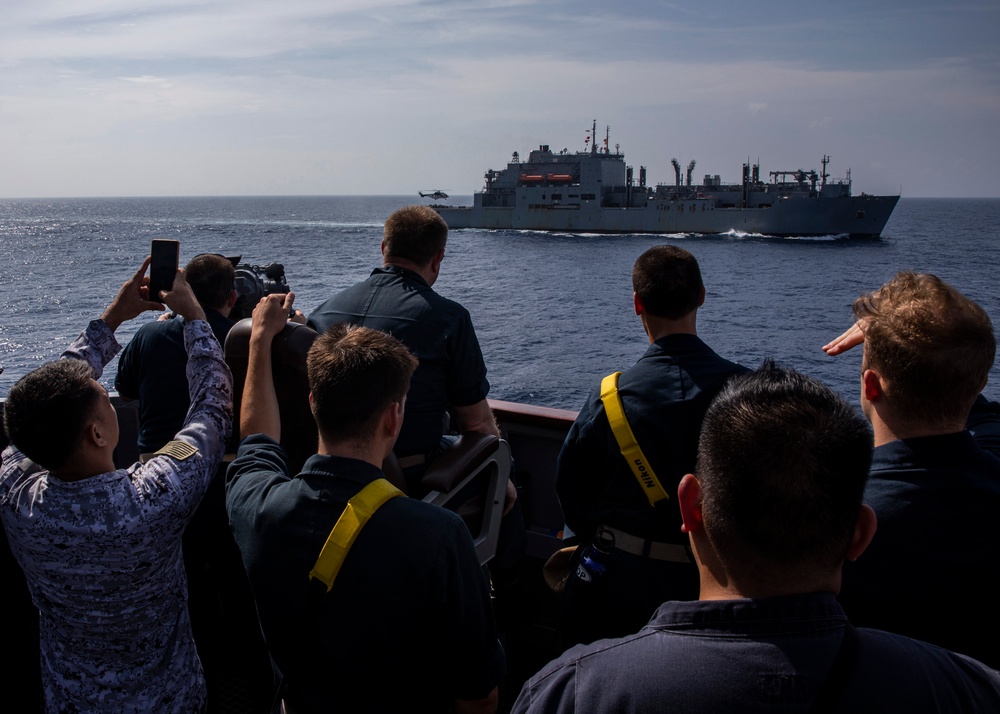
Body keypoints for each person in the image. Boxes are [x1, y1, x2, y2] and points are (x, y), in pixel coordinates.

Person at [513, 364, 1000, 713]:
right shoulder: (967, 688)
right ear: (860, 535)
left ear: (691, 508)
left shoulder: (569, 693)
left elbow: (570, 483)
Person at [226, 294, 506, 713]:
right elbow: (479, 696)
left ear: (312, 404)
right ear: (393, 419)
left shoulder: (257, 506)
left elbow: (256, 438)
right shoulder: (439, 536)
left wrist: (261, 339)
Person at [1, 258, 232, 712]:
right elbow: (212, 411)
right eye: (99, 398)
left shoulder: (13, 491)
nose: (105, 397)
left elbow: (33, 409)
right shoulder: (153, 496)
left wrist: (113, 319)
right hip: (171, 700)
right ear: (97, 434)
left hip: (71, 700)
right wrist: (196, 318)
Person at [554, 244, 747, 646]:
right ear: (702, 296)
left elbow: (571, 488)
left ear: (637, 304)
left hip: (618, 580)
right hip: (720, 581)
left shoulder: (609, 397)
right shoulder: (749, 392)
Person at [823, 271, 1000, 667]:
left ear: (870, 386)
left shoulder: (829, 519)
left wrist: (888, 328)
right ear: (978, 384)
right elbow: (984, 419)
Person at [307, 205, 502, 494]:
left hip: (325, 473)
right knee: (502, 485)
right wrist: (503, 480)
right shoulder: (449, 320)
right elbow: (477, 423)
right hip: (411, 478)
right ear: (438, 259)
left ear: (384, 248)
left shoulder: (324, 311)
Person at [116, 252, 237, 456]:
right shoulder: (243, 341)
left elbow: (126, 394)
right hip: (223, 466)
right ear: (232, 298)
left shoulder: (148, 334)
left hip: (154, 467)